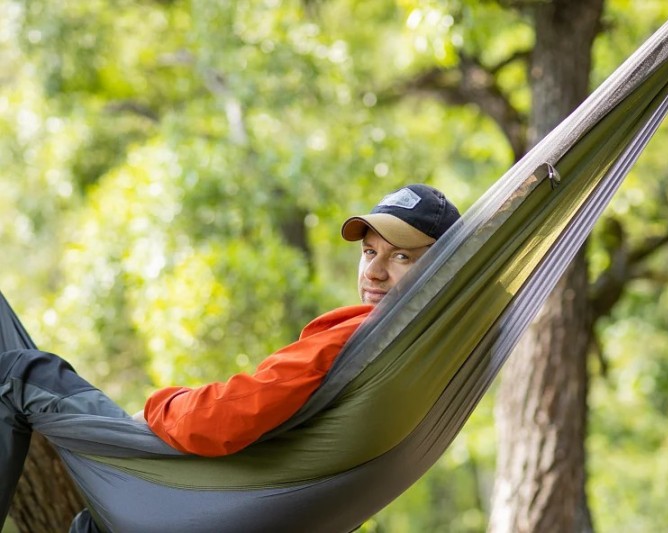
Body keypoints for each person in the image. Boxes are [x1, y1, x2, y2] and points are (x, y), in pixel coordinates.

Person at [0, 184, 460, 523]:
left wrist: (157, 408)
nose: (374, 272)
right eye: (369, 252)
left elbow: (231, 414)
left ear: (442, 269)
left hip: (200, 497)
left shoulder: (361, 337)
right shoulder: (435, 354)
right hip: (229, 503)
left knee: (19, 372)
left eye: (401, 257)